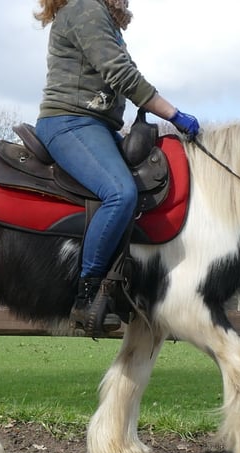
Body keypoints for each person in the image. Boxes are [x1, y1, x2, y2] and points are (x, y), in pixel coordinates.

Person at [34, 0, 200, 335]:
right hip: (70, 122)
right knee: (120, 193)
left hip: (97, 126)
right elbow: (121, 74)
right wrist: (173, 114)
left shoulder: (100, 16)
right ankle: (87, 294)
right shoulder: (85, 7)